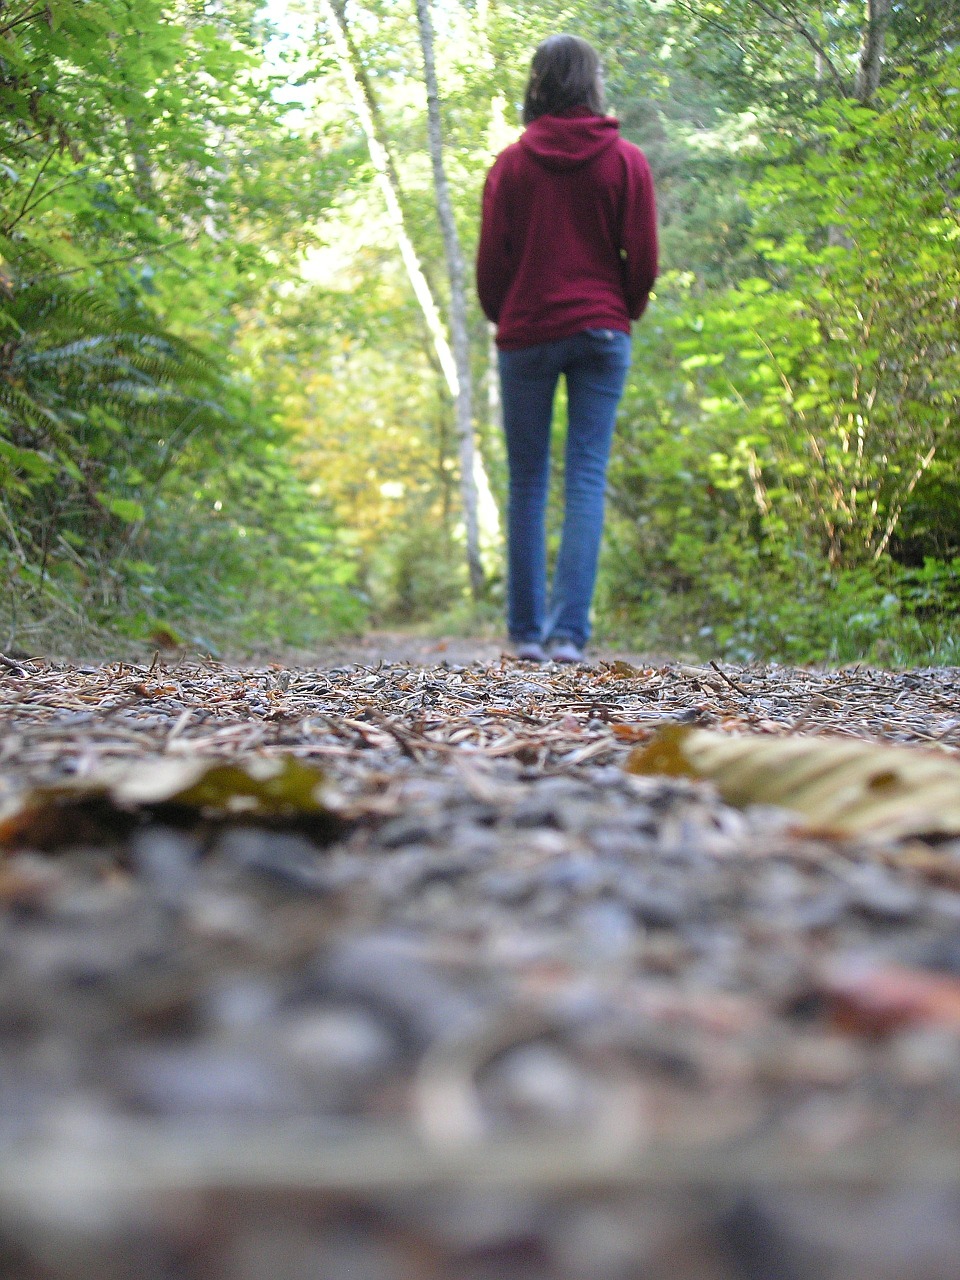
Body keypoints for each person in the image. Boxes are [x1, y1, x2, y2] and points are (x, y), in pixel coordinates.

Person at [477, 34, 658, 663]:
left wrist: (510, 317)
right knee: (585, 478)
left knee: (527, 481)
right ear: (591, 82)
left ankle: (526, 634)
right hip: (601, 334)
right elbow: (645, 257)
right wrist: (621, 312)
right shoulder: (626, 161)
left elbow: (491, 265)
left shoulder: (510, 166)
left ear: (537, 83)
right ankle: (567, 637)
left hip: (527, 333)